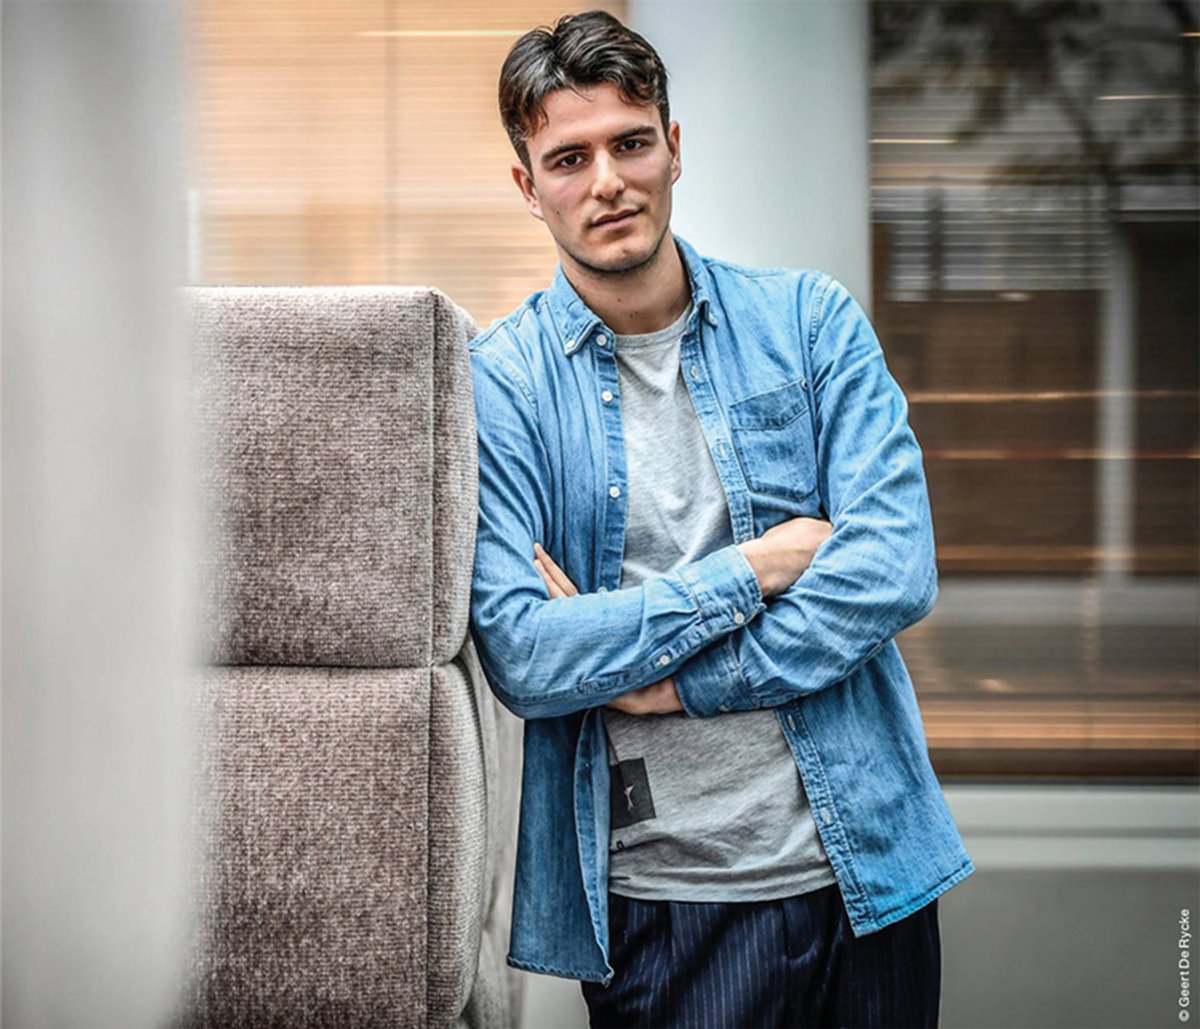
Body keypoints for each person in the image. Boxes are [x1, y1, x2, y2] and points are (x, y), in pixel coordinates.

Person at [466, 10, 975, 1028]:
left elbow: (892, 566)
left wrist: (672, 683)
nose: (608, 181)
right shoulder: (503, 387)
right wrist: (757, 568)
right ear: (528, 186)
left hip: (865, 875)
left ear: (673, 147)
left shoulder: (808, 322)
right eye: (569, 158)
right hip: (667, 908)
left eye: (630, 143)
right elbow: (526, 653)